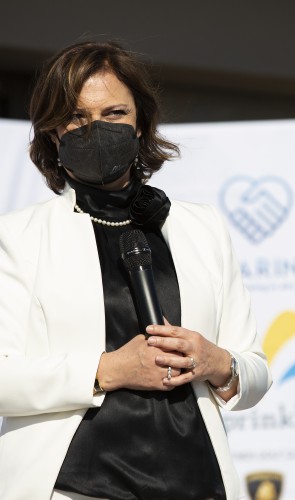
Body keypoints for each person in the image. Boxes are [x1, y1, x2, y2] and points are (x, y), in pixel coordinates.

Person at [0, 40, 272, 500]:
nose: (96, 129)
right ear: (52, 131)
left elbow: (255, 371)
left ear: (141, 123)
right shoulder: (17, 237)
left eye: (114, 113)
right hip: (73, 487)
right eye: (77, 117)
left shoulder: (201, 227)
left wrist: (217, 362)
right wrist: (108, 369)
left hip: (196, 483)